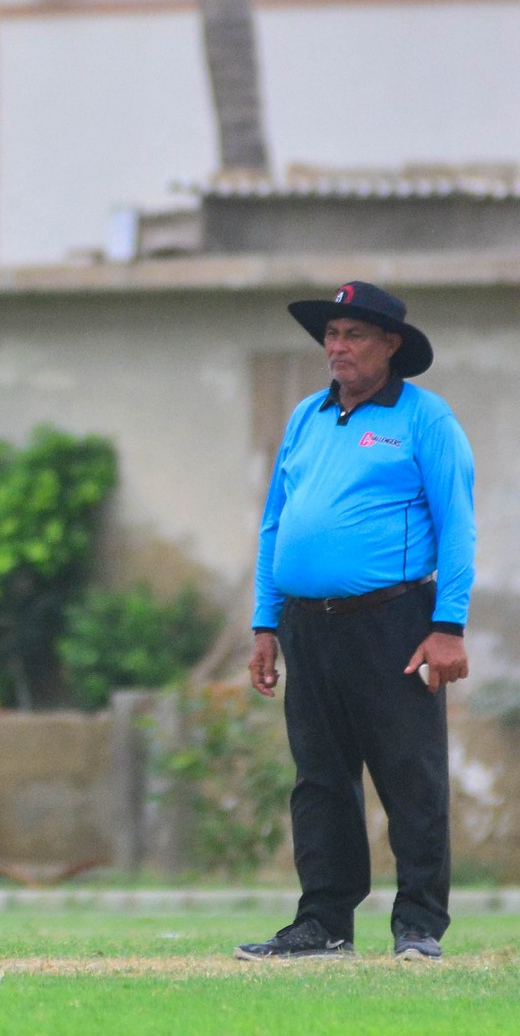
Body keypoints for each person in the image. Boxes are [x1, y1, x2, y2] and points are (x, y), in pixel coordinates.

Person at [239, 281, 475, 962]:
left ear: (390, 345)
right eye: (331, 335)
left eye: (355, 335)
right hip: (306, 626)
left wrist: (449, 625)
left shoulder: (425, 418)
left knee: (410, 774)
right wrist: (264, 623)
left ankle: (419, 925)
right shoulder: (306, 416)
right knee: (318, 778)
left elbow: (458, 525)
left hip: (392, 622)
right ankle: (324, 924)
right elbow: (275, 523)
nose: (337, 347)